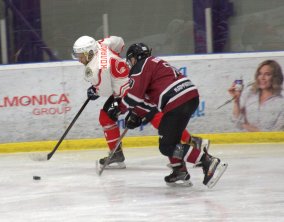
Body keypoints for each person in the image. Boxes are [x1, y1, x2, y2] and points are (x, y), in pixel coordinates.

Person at [72, 36, 210, 170]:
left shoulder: (94, 68)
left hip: (130, 89)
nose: (79, 59)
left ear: (89, 52)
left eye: (80, 55)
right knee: (109, 116)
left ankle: (194, 142)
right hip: (129, 83)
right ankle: (117, 154)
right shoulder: (102, 44)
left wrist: (95, 91)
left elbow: (105, 90)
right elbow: (119, 42)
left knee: (153, 115)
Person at [108, 43, 227, 188]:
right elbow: (149, 102)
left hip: (176, 101)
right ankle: (179, 171)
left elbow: (134, 96)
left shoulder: (141, 65)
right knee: (169, 135)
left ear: (134, 58)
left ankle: (207, 160)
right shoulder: (156, 63)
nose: (130, 63)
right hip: (190, 96)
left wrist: (119, 109)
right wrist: (137, 115)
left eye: (130, 59)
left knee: (166, 146)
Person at [228, 60, 284, 131]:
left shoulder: (281, 103)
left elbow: (277, 133)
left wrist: (247, 127)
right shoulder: (248, 95)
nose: (262, 78)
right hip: (245, 140)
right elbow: (236, 122)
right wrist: (236, 101)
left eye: (267, 74)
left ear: (275, 77)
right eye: (260, 74)